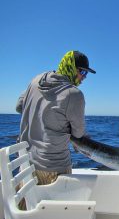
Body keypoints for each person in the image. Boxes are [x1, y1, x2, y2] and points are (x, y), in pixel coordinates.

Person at [16, 50, 96, 186]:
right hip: (53, 168)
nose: (84, 77)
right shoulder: (74, 94)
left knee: (26, 206)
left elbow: (19, 106)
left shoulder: (36, 80)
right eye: (82, 72)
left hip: (24, 163)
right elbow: (78, 133)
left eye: (86, 74)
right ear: (71, 66)